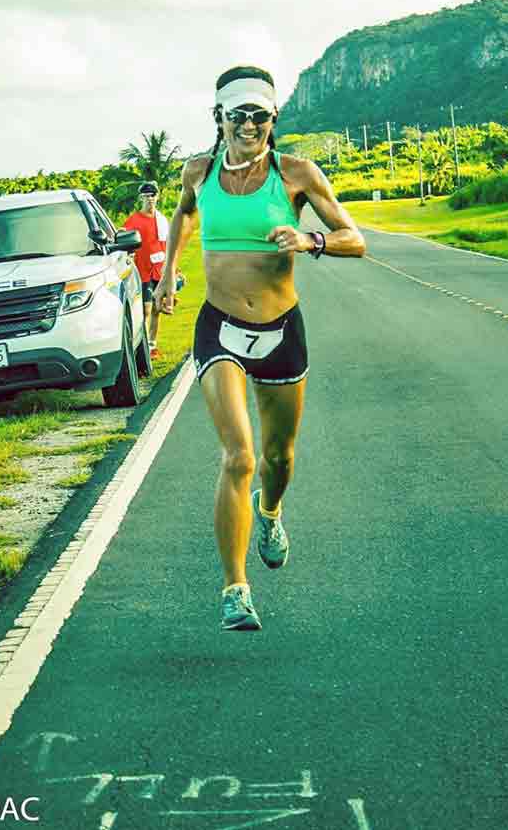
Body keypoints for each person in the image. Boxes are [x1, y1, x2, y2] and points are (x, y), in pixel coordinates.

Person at [153, 65, 366, 631]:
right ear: (218, 117)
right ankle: (235, 589)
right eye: (238, 115)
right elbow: (183, 214)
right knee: (240, 457)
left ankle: (270, 511)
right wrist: (168, 272)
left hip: (280, 330)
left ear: (274, 118)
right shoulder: (198, 171)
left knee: (278, 458)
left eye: (260, 115)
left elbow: (355, 239)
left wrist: (310, 238)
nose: (249, 125)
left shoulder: (296, 174)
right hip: (218, 326)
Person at [123, 181, 169, 359]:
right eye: (146, 196)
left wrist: (174, 270)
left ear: (157, 197)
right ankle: (141, 348)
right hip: (142, 272)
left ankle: (152, 345)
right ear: (141, 198)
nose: (150, 199)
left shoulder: (162, 219)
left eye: (153, 195)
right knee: (146, 309)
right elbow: (124, 242)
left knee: (157, 308)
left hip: (159, 270)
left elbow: (166, 245)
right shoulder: (133, 221)